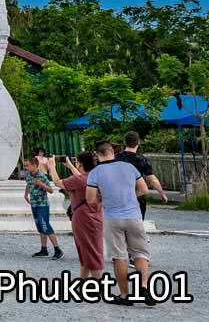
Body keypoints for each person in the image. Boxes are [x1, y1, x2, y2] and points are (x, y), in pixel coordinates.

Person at [87, 140, 154, 306]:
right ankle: (144, 287)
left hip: (112, 218)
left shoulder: (95, 173)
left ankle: (125, 295)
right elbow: (144, 189)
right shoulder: (128, 167)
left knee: (119, 257)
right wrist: (130, 196)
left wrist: (102, 198)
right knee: (140, 253)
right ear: (112, 152)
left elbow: (90, 199)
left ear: (97, 154)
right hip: (134, 216)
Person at [58, 152, 104, 279]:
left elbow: (58, 182)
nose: (75, 163)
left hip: (83, 219)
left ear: (81, 163)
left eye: (76, 162)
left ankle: (99, 286)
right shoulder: (95, 177)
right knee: (87, 251)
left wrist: (51, 166)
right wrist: (70, 166)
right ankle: (82, 282)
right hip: (97, 217)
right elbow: (82, 179)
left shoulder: (79, 180)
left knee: (90, 252)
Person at [114, 130, 167, 219]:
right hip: (136, 197)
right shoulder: (141, 159)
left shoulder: (115, 158)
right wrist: (162, 193)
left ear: (124, 142)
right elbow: (152, 180)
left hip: (117, 197)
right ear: (138, 143)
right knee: (136, 227)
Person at [20, 154, 63, 259]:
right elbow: (28, 184)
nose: (25, 168)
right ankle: (44, 249)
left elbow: (51, 190)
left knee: (45, 226)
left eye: (27, 165)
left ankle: (58, 250)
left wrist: (41, 184)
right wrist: (26, 195)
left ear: (35, 165)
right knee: (40, 227)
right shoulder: (29, 175)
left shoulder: (42, 176)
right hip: (34, 204)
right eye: (25, 166)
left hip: (42, 205)